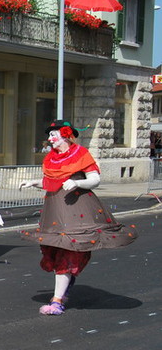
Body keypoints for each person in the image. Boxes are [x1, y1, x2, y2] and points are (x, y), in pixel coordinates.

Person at [19, 120, 137, 316]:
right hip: (55, 210)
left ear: (65, 135)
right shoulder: (51, 158)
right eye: (49, 135)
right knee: (58, 249)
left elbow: (95, 179)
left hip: (78, 209)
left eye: (53, 134)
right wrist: (33, 182)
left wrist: (76, 183)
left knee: (70, 249)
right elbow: (51, 182)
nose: (50, 139)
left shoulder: (80, 153)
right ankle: (63, 286)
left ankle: (57, 301)